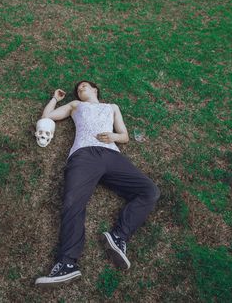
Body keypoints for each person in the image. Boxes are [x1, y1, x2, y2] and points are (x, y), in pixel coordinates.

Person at [35, 81, 161, 287]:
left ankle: (118, 237)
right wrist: (55, 99)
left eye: (85, 86)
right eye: (78, 88)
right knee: (72, 203)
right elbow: (47, 117)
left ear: (95, 90)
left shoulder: (112, 107)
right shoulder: (75, 105)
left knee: (150, 191)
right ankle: (67, 263)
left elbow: (125, 136)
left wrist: (114, 136)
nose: (80, 88)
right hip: (84, 155)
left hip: (112, 155)